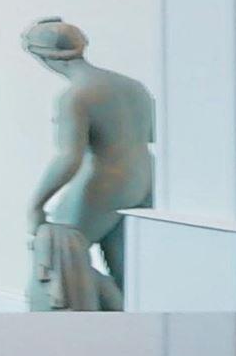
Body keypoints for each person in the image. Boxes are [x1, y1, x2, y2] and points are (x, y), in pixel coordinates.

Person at [21, 17, 155, 309]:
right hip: (143, 178)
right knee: (127, 269)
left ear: (44, 57)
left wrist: (36, 204)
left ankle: (84, 320)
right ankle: (128, 320)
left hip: (103, 184)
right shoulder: (133, 86)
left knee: (60, 253)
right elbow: (153, 135)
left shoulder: (76, 96)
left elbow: (69, 157)